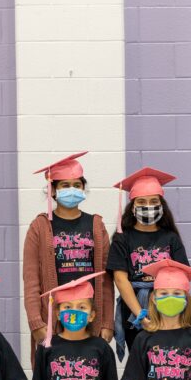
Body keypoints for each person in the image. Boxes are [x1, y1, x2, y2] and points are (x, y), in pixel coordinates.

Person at [107, 167, 188, 380]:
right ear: (132, 206)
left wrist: (162, 312)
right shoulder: (123, 238)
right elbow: (120, 277)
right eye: (141, 203)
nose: (148, 208)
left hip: (168, 314)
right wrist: (139, 313)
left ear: (162, 205)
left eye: (153, 202)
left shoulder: (170, 238)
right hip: (134, 318)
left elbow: (180, 278)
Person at [23, 152, 114, 363]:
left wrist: (107, 322)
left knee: (88, 378)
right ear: (53, 190)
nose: (71, 190)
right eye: (64, 185)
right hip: (53, 319)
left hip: (89, 317)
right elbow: (31, 280)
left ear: (83, 189)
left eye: (77, 185)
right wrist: (36, 322)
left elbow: (106, 281)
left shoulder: (96, 226)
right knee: (55, 379)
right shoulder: (40, 227)